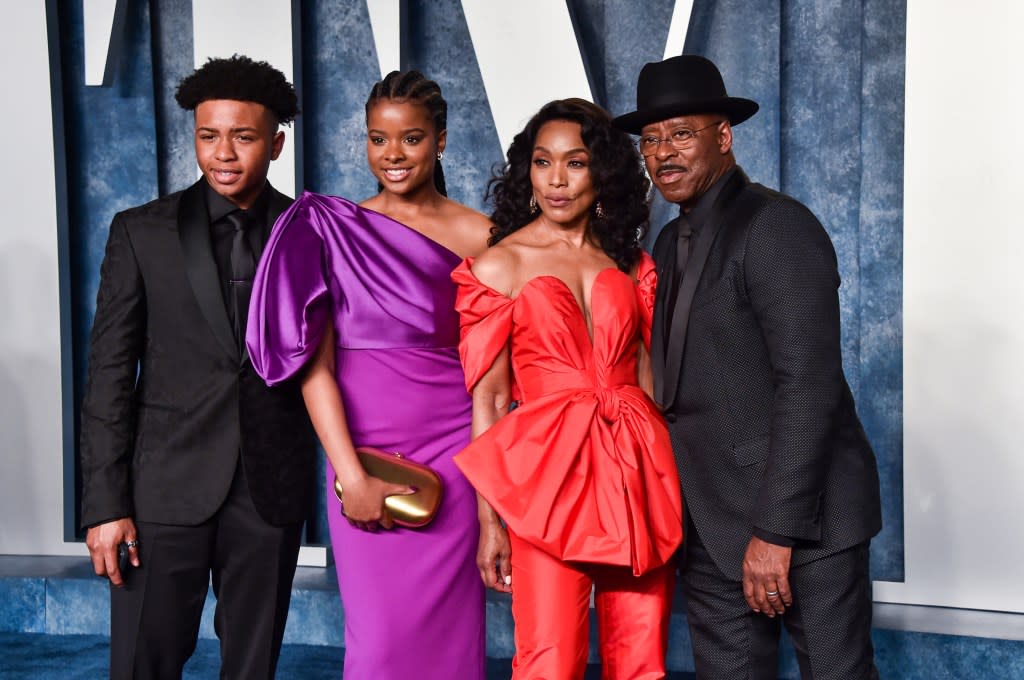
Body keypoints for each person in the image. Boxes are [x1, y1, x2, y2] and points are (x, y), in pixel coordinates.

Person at [613, 54, 883, 679]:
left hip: (805, 522)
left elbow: (808, 387)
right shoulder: (667, 244)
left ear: (724, 136)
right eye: (651, 141)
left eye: (682, 134)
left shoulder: (776, 227)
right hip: (709, 522)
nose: (664, 154)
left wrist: (776, 532)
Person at [246, 70, 491, 680]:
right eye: (378, 140)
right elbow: (315, 369)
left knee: (452, 639)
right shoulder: (329, 229)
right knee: (378, 643)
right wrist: (349, 472)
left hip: (456, 455)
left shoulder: (484, 236)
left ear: (440, 140)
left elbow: (493, 370)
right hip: (363, 454)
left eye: (410, 139)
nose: (393, 155)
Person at [79, 55, 316, 679]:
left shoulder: (310, 234)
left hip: (269, 489)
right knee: (140, 665)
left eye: (243, 136)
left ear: (276, 143)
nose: (224, 153)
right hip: (161, 491)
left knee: (252, 668)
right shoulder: (140, 233)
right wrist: (105, 504)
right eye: (209, 136)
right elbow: (107, 376)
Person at [452, 98, 683, 679]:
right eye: (542, 162)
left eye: (575, 163)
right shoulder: (499, 266)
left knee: (643, 660)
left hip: (636, 477)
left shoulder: (633, 265)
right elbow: (492, 401)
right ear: (527, 173)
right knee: (548, 662)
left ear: (601, 172)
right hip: (548, 486)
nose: (556, 180)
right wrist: (490, 520)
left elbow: (649, 381)